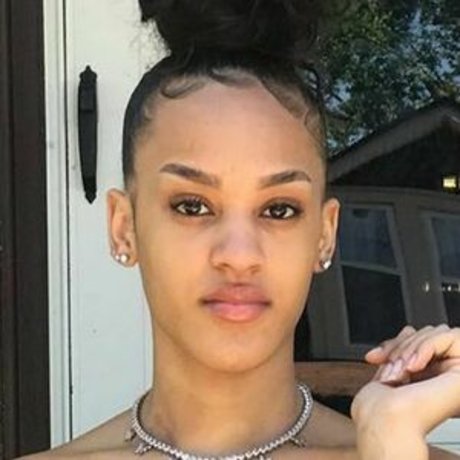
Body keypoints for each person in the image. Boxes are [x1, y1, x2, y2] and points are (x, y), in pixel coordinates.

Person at [22, 1, 460, 459]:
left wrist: (391, 443)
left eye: (279, 210)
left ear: (325, 234)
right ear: (123, 227)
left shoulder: (395, 448)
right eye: (192, 206)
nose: (238, 255)